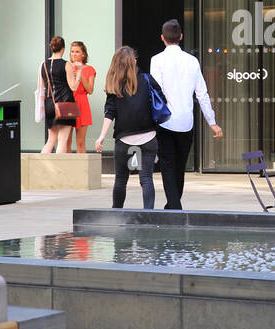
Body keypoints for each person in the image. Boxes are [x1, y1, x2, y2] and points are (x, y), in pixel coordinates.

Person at [149, 20, 222, 210]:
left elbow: (156, 93)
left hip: (165, 121)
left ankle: (174, 207)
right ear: (181, 37)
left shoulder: (156, 60)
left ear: (162, 38)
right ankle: (173, 205)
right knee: (179, 166)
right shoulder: (192, 61)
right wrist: (212, 122)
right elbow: (202, 94)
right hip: (186, 122)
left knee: (167, 166)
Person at [95, 46, 167, 210]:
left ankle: (117, 212)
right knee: (146, 179)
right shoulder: (147, 80)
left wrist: (101, 137)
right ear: (133, 62)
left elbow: (109, 113)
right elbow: (162, 100)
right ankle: (148, 215)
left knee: (121, 179)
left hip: (124, 140)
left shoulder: (114, 85)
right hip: (148, 138)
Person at [39, 36, 75, 154]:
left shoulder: (43, 65)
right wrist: (78, 75)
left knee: (51, 140)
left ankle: (41, 166)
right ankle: (59, 171)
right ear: (63, 49)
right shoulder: (66, 65)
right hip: (65, 104)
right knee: (62, 140)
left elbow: (42, 87)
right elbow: (73, 86)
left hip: (50, 104)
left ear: (51, 48)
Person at [67, 41, 96, 155]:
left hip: (82, 104)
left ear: (83, 54)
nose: (74, 54)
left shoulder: (90, 69)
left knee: (80, 142)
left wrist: (80, 73)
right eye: (72, 51)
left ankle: (82, 171)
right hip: (69, 103)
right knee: (66, 141)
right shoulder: (67, 67)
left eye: (77, 51)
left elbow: (90, 90)